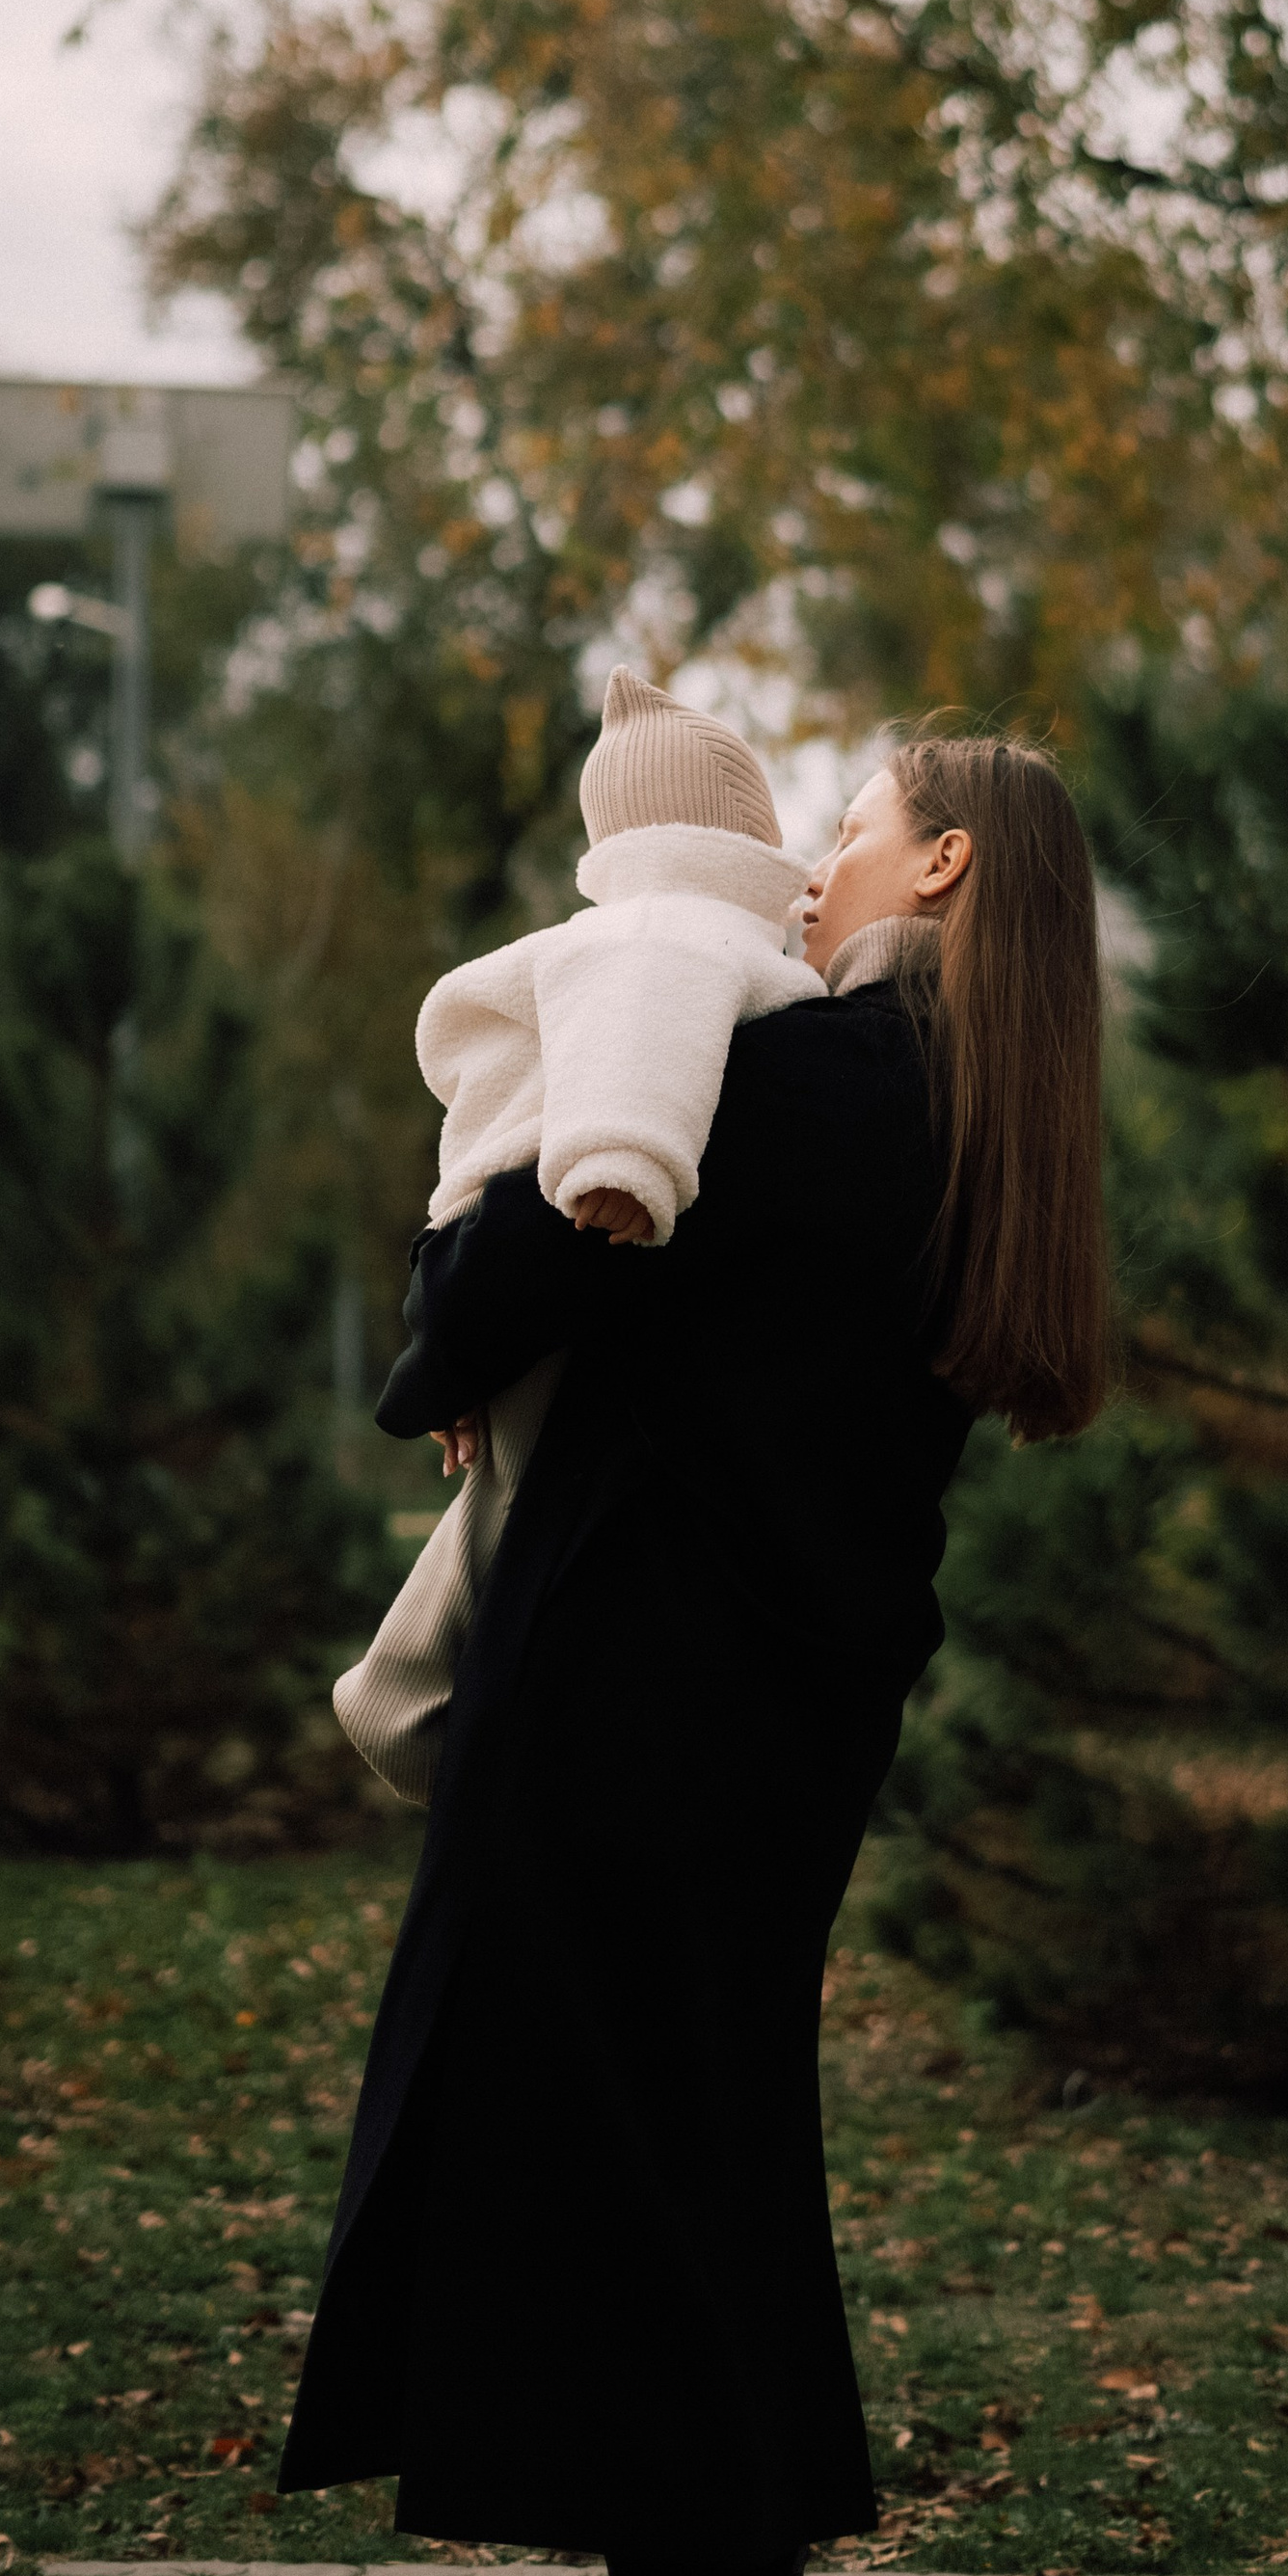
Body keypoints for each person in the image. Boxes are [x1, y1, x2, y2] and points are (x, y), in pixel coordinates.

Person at [278, 733, 1111, 2576]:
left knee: (630, 2204)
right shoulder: (954, 1121)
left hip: (628, 1715)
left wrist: (463, 1289)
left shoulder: (800, 1084)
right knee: (715, 2178)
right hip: (767, 1718)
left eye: (843, 818)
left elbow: (473, 1311)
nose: (799, 855)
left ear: (932, 863)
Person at [334, 666, 823, 1804]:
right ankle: (407, 1699)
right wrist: (623, 1159)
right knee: (518, 1498)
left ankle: (402, 1696)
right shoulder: (671, 930)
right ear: (729, 834)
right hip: (589, 1207)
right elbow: (648, 1038)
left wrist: (459, 1345)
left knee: (509, 1491)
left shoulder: (652, 932)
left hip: (512, 1250)